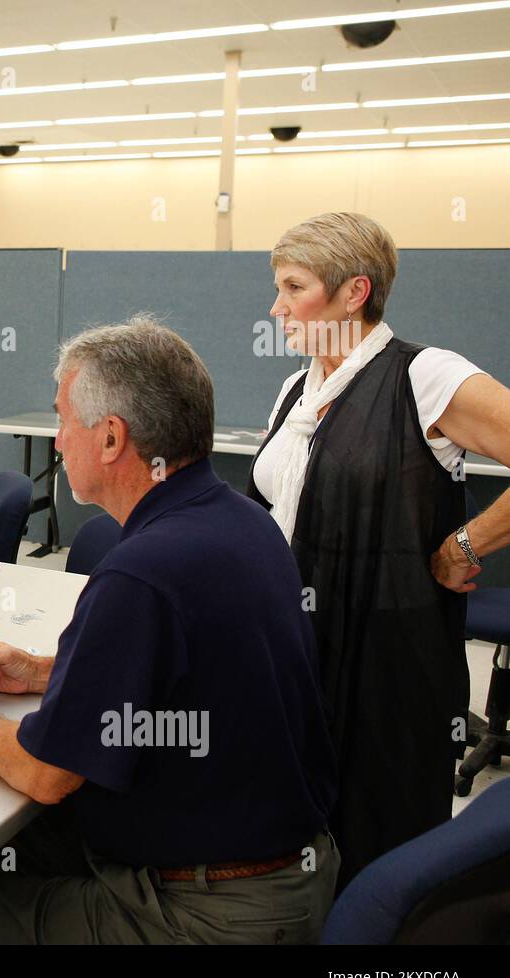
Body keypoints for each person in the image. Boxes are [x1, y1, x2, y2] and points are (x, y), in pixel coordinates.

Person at [0, 318, 338, 945]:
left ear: (110, 438)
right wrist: (44, 671)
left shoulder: (141, 574)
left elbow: (45, 774)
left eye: (63, 422)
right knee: (2, 852)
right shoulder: (242, 522)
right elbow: (196, 670)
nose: (56, 441)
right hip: (283, 869)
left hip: (212, 914)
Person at [248, 211, 510, 888]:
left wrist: (466, 541)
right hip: (300, 650)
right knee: (296, 837)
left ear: (353, 292)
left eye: (292, 287)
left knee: (372, 844)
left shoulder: (423, 375)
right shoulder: (295, 391)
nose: (275, 307)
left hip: (387, 670)